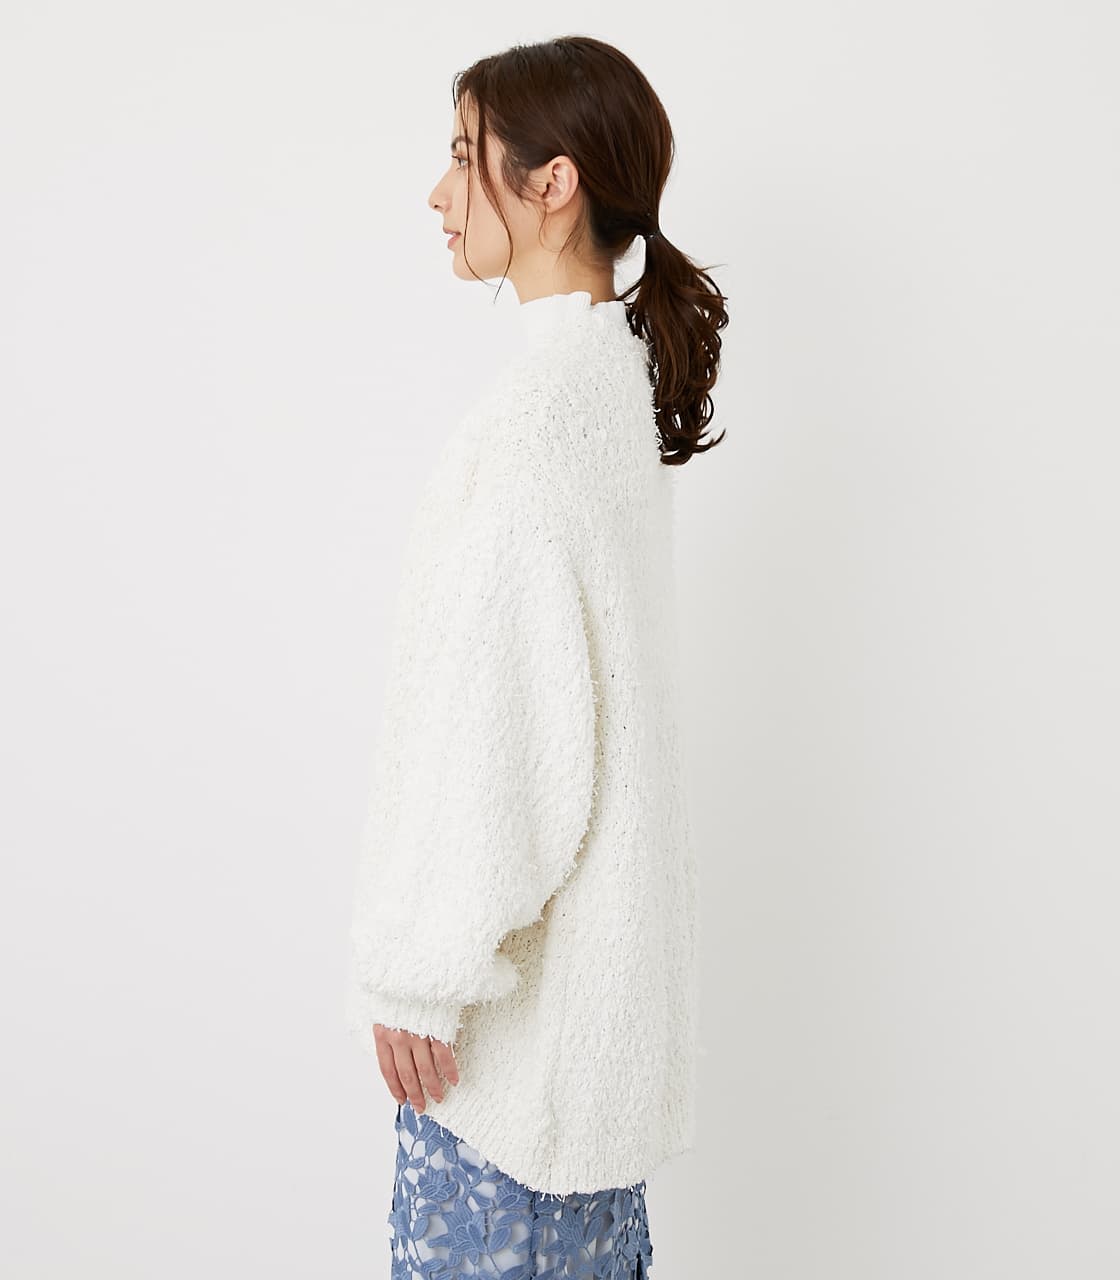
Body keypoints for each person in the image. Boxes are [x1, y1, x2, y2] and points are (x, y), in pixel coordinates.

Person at [344, 34, 728, 1278]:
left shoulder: (531, 433)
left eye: (465, 157)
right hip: (591, 1065)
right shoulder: (607, 396)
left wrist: (419, 972)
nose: (438, 192)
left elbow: (506, 735)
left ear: (551, 183)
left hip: (514, 1085)